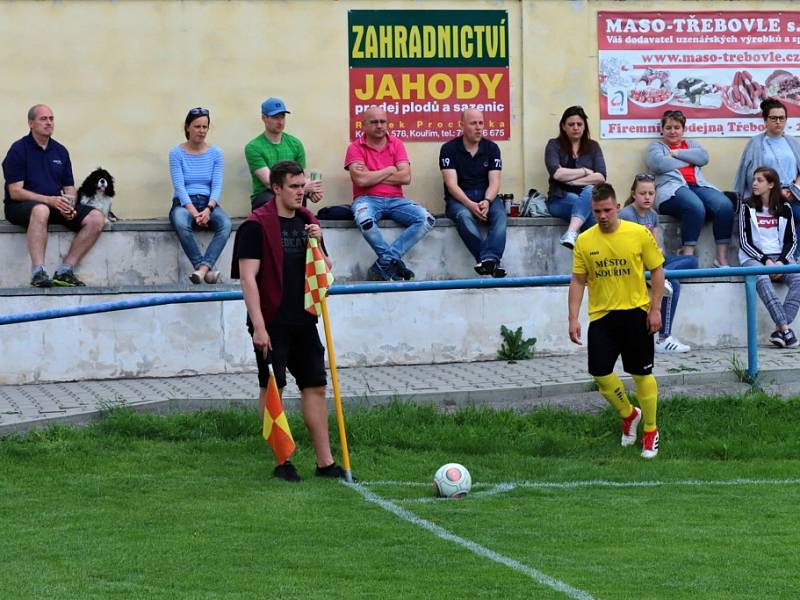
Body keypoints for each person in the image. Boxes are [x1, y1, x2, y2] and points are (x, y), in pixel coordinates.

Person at [231, 160, 345, 481]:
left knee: (316, 387)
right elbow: (248, 279)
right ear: (276, 188)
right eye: (294, 186)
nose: (301, 192)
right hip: (271, 322)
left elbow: (327, 269)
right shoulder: (255, 226)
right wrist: (259, 326)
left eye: (303, 185)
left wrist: (318, 242)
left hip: (304, 320)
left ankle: (325, 462)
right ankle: (282, 460)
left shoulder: (309, 221)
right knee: (274, 389)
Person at [568, 183, 665, 459]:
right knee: (599, 372)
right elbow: (577, 280)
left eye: (607, 210)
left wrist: (655, 308)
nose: (602, 216)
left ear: (617, 207)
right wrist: (572, 317)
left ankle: (650, 430)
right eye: (597, 211)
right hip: (602, 315)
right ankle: (628, 414)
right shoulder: (585, 240)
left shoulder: (638, 234)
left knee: (641, 373)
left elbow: (657, 271)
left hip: (636, 312)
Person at [2, 104, 104, 287]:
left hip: (54, 204)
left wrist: (69, 206)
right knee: (41, 210)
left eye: (51, 118)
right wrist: (50, 200)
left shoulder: (60, 151)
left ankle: (65, 270)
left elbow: (70, 188)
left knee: (96, 217)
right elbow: (15, 192)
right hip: (20, 206)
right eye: (43, 119)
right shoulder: (18, 150)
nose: (49, 123)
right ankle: (38, 272)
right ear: (31, 123)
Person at [345, 105, 435, 281]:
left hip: (396, 200)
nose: (379, 126)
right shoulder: (355, 147)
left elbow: (406, 177)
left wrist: (372, 173)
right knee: (365, 221)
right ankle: (395, 264)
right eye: (374, 122)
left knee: (427, 219)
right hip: (367, 200)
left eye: (383, 122)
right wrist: (389, 169)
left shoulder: (397, 144)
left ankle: (384, 264)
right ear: (363, 125)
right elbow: (361, 181)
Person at [646, 109, 733, 267]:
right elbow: (658, 164)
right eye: (669, 128)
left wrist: (677, 153)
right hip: (671, 191)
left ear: (683, 129)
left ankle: (721, 258)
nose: (673, 131)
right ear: (662, 129)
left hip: (698, 186)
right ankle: (688, 257)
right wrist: (690, 160)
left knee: (725, 205)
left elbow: (704, 158)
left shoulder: (691, 144)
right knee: (695, 206)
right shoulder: (657, 147)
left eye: (677, 127)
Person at [620, 173, 696, 353]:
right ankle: (663, 338)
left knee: (692, 260)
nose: (647, 197)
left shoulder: (653, 214)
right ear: (633, 194)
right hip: (637, 265)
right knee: (674, 284)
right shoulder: (626, 214)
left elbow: (655, 242)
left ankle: (663, 277)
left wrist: (657, 256)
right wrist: (653, 257)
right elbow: (627, 248)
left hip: (653, 263)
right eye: (642, 193)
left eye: (651, 193)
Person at [439, 108, 507, 277]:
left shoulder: (492, 148)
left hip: (486, 196)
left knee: (500, 216)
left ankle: (488, 261)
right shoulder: (448, 149)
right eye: (473, 123)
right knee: (464, 216)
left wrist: (488, 201)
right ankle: (490, 260)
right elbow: (451, 185)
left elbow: (495, 181)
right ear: (462, 125)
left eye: (481, 123)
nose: (478, 128)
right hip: (459, 198)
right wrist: (470, 205)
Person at [738, 166, 800, 348]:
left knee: (798, 278)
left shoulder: (785, 208)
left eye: (760, 180)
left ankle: (781, 330)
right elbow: (745, 241)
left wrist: (780, 261)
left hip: (780, 258)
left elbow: (791, 241)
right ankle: (785, 328)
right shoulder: (747, 207)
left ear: (771, 184)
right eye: (754, 179)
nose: (754, 183)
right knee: (762, 279)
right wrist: (766, 261)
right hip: (754, 257)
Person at [169, 107, 232, 284]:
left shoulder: (216, 153)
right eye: (197, 126)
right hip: (184, 203)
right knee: (181, 222)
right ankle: (204, 269)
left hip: (208, 203)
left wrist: (208, 209)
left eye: (205, 127)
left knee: (225, 225)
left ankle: (202, 270)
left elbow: (217, 185)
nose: (202, 131)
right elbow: (179, 186)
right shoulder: (176, 153)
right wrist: (194, 212)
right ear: (188, 127)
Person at [545, 105, 607, 249]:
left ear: (584, 126)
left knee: (591, 191)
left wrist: (571, 181)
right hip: (558, 199)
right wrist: (585, 171)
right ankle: (601, 250)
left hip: (588, 197)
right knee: (590, 212)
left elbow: (601, 176)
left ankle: (572, 233)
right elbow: (557, 173)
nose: (575, 127)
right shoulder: (554, 145)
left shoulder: (593, 146)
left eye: (579, 124)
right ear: (563, 126)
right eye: (571, 124)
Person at [244, 97, 322, 210]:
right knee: (283, 199)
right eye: (275, 117)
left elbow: (301, 177)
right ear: (264, 118)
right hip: (265, 195)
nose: (280, 121)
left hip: (292, 192)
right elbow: (269, 182)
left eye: (282, 117)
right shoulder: (253, 147)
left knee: (299, 198)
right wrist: (304, 188)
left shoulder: (295, 144)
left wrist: (312, 191)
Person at [734, 98, 800, 230]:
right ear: (765, 120)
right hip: (767, 197)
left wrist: (794, 191)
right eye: (773, 118)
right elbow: (750, 176)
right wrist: (776, 193)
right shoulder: (755, 143)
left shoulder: (793, 142)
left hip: (793, 194)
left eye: (782, 118)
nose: (778, 122)